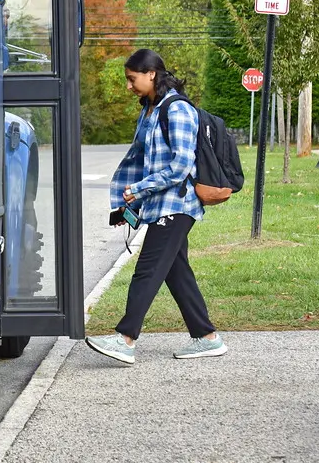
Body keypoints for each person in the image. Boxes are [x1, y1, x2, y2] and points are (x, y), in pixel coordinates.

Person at [85, 49, 226, 365]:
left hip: (177, 205)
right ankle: (207, 337)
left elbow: (179, 167)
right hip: (161, 204)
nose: (128, 86)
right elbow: (144, 163)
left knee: (147, 271)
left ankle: (125, 338)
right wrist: (128, 208)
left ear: (151, 74)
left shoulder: (177, 111)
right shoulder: (151, 110)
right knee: (177, 273)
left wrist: (138, 190)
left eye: (132, 79)